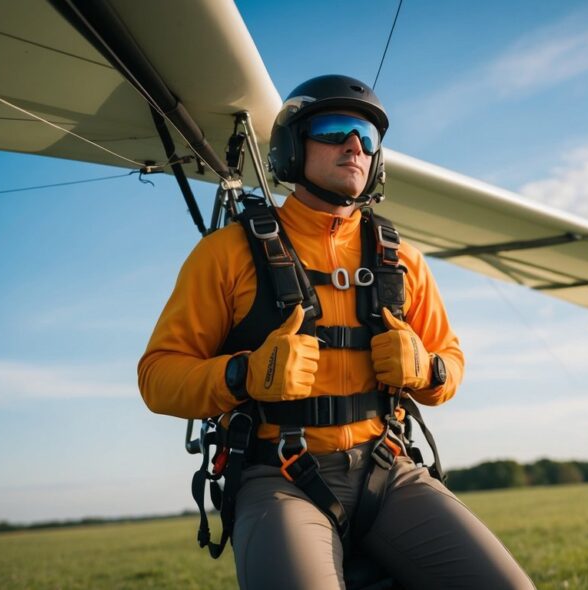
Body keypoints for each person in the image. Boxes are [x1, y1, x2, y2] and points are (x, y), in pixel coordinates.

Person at [138, 74, 533, 590]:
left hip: (388, 471)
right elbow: (158, 376)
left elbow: (450, 362)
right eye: (335, 129)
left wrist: (427, 369)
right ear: (291, 147)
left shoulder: (404, 261)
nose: (354, 146)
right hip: (278, 476)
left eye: (367, 138)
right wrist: (245, 374)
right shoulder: (227, 253)